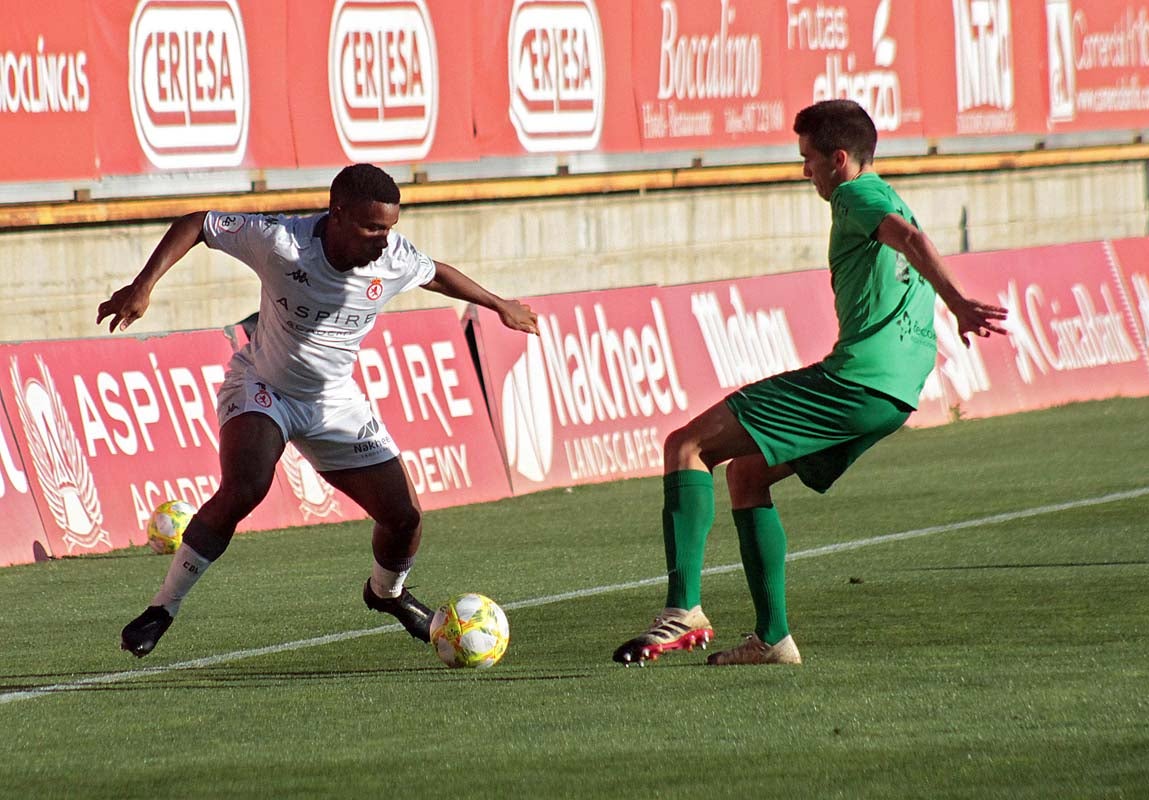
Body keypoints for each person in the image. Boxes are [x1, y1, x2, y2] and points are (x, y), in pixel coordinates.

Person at [612, 99, 1009, 667]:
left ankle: (682, 610)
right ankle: (772, 640)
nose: (805, 171)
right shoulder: (890, 195)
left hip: (856, 383)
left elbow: (912, 244)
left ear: (839, 160)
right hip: (893, 396)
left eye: (808, 159)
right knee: (748, 474)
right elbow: (908, 246)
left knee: (687, 445)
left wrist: (958, 302)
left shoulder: (855, 193)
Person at [98, 163, 539, 658]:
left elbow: (436, 275)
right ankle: (163, 608)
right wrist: (143, 285)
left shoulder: (392, 258)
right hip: (264, 387)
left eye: (390, 227)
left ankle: (385, 595)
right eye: (372, 227)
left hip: (334, 402)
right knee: (247, 486)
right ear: (337, 213)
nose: (383, 239)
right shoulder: (282, 241)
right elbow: (199, 223)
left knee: (404, 519)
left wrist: (499, 303)